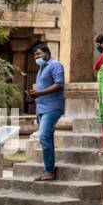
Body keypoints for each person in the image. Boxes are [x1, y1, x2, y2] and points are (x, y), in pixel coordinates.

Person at [28, 44, 65, 181]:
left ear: (47, 53)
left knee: (44, 136)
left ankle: (49, 170)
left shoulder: (55, 65)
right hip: (42, 108)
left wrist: (40, 93)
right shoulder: (41, 68)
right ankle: (49, 169)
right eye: (35, 56)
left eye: (39, 54)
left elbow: (59, 84)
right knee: (47, 138)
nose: (36, 57)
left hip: (52, 107)